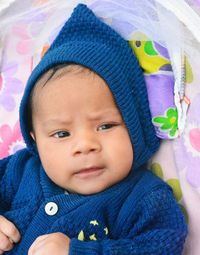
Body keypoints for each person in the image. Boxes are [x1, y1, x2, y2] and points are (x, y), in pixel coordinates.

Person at [0, 3, 187, 255]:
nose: (85, 145)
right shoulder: (19, 171)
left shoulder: (144, 199)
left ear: (136, 127)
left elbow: (161, 246)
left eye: (106, 126)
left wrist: (79, 251)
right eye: (62, 134)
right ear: (35, 140)